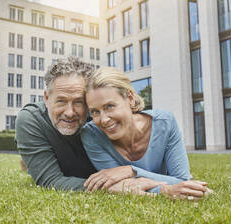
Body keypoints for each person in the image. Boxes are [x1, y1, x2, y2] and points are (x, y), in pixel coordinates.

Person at [15, 58, 162, 193]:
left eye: (79, 102)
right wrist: (114, 188)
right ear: (46, 98)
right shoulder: (31, 119)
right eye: (61, 101)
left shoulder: (102, 117)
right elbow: (51, 180)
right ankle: (29, 162)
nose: (70, 112)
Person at [81, 67, 209, 200]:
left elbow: (183, 180)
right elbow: (117, 184)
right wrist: (166, 189)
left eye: (110, 106)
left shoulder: (165, 122)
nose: (104, 119)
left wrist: (131, 170)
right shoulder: (91, 134)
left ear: (130, 98)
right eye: (95, 111)